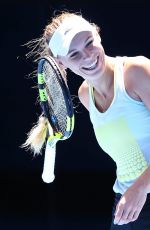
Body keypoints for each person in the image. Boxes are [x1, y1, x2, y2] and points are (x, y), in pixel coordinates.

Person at [22, 11, 150, 229]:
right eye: (74, 54)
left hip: (138, 195)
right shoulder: (85, 95)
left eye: (90, 43)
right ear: (60, 63)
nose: (88, 56)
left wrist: (141, 187)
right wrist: (133, 191)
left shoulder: (137, 72)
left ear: (97, 34)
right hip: (125, 203)